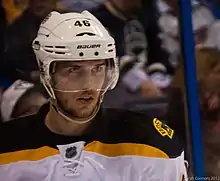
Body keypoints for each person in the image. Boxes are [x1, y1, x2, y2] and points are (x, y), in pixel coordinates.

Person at [0, 11, 187, 180]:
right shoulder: (6, 149)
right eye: (74, 70)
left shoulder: (151, 144)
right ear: (47, 74)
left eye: (97, 68)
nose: (88, 85)